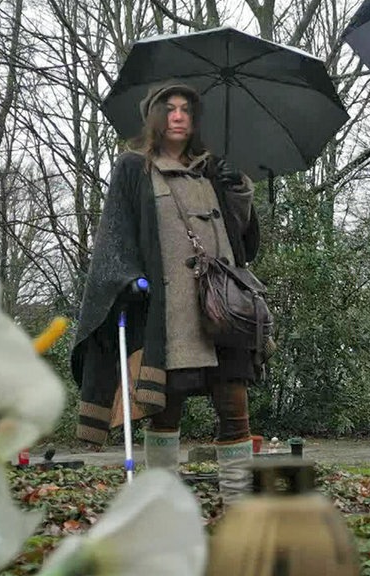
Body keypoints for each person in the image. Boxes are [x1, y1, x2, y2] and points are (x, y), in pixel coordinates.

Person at [70, 81, 262, 506]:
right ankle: (165, 508)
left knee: (235, 410)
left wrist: (240, 190)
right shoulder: (133, 167)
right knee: (165, 412)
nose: (179, 116)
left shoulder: (213, 168)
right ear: (155, 118)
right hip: (169, 314)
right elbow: (115, 237)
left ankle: (240, 511)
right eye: (170, 109)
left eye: (186, 110)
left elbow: (242, 241)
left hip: (223, 310)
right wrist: (128, 278)